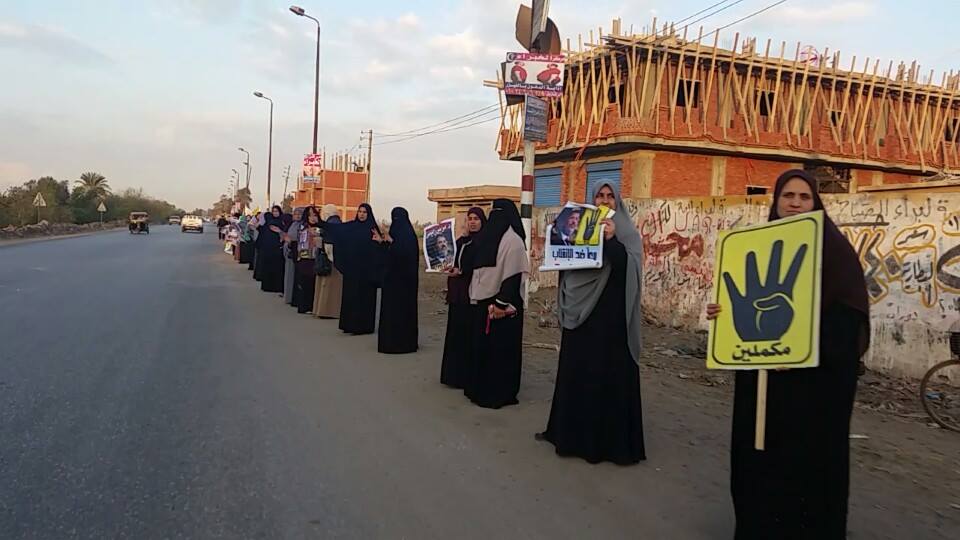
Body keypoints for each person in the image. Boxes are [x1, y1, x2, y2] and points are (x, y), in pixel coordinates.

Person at [705, 169, 870, 539]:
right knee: (758, 458)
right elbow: (741, 302)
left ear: (816, 203)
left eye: (804, 197)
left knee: (806, 467)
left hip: (812, 390)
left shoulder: (835, 251)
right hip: (763, 384)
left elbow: (850, 321)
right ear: (776, 201)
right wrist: (722, 315)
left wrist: (799, 350)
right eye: (788, 196)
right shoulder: (757, 246)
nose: (795, 203)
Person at [537, 183, 646, 465]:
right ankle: (568, 435)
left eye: (610, 196)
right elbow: (564, 266)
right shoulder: (576, 226)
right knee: (577, 373)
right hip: (580, 318)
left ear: (617, 201)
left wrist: (611, 240)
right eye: (600, 196)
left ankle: (605, 445)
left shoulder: (627, 232)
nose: (605, 201)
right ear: (592, 199)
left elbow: (630, 272)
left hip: (610, 321)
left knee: (605, 376)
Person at [463, 199, 529, 409]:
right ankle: (489, 391)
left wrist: (501, 303)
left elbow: (512, 276)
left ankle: (490, 391)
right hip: (489, 305)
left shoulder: (512, 241)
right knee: (489, 350)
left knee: (497, 351)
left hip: (501, 305)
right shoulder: (492, 238)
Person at [440, 207, 486, 388]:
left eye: (476, 219)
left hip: (472, 295)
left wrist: (463, 271)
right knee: (455, 335)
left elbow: (481, 267)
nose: (472, 222)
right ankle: (453, 376)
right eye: (470, 219)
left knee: (468, 335)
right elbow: (452, 260)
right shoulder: (460, 241)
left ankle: (466, 376)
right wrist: (450, 268)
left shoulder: (484, 243)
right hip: (457, 295)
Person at [327, 203, 382, 335]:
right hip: (352, 270)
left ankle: (363, 327)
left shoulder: (373, 229)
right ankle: (349, 325)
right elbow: (338, 233)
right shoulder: (351, 227)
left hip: (367, 272)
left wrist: (380, 242)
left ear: (369, 214)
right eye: (360, 212)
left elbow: (379, 250)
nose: (361, 214)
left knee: (365, 299)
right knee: (350, 297)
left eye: (364, 212)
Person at [373, 207, 419, 354]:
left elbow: (405, 255)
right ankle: (389, 342)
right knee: (391, 314)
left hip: (405, 284)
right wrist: (382, 243)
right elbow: (389, 256)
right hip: (391, 283)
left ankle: (404, 343)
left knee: (402, 313)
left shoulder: (409, 237)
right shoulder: (395, 235)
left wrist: (392, 242)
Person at [313, 204, 343, 319]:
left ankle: (326, 311)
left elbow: (329, 242)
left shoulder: (331, 223)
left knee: (328, 286)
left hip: (330, 258)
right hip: (333, 258)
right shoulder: (336, 222)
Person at [295, 207, 321, 314]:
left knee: (313, 282)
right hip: (304, 257)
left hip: (315, 257)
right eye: (310, 215)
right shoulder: (302, 227)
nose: (313, 218)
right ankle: (303, 306)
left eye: (314, 215)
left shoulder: (320, 228)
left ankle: (312, 306)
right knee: (304, 282)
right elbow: (300, 242)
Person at [258, 206, 286, 293]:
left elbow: (285, 234)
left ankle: (277, 287)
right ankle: (267, 286)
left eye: (277, 211)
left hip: (278, 248)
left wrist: (279, 231)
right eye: (273, 211)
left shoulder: (283, 222)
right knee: (268, 267)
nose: (275, 213)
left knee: (277, 268)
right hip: (268, 249)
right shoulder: (268, 223)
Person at [284, 207, 304, 305]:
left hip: (297, 253)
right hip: (289, 252)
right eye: (295, 214)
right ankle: (288, 297)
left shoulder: (302, 226)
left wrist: (291, 242)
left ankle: (294, 299)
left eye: (299, 214)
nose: (297, 216)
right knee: (289, 276)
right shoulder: (292, 225)